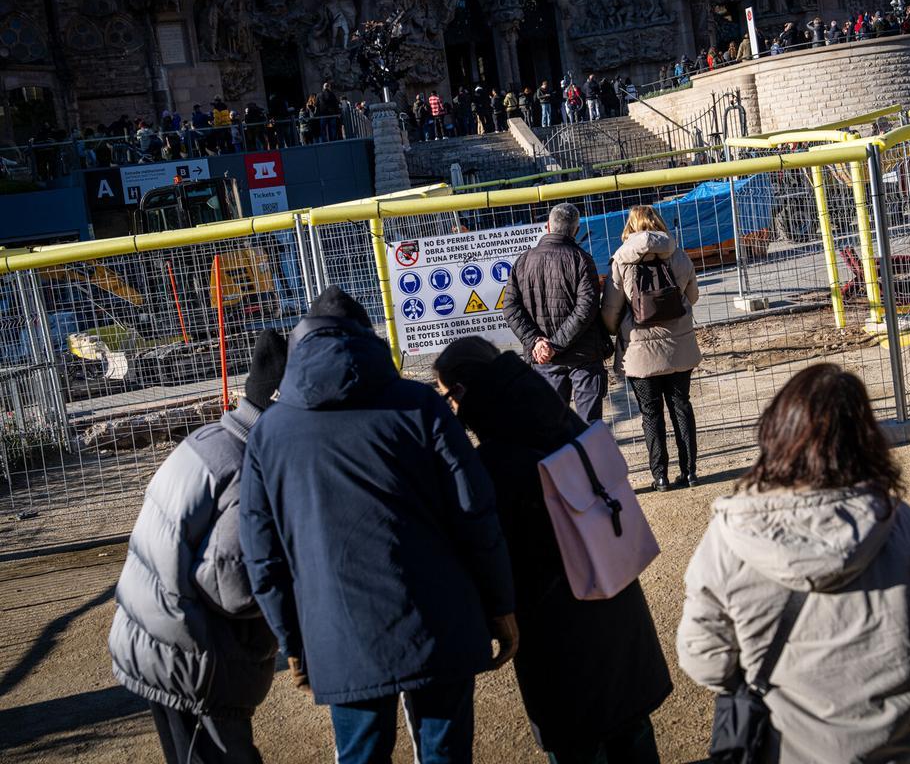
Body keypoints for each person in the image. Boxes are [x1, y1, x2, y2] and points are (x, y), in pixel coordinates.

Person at [240, 286, 517, 764]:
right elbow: (475, 511)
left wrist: (294, 643)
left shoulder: (269, 433)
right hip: (439, 621)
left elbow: (263, 556)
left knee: (361, 757)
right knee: (446, 754)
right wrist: (500, 605)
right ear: (368, 338)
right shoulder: (421, 406)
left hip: (338, 633)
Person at [677, 364, 910, 762]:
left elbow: (705, 660)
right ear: (865, 438)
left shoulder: (729, 537)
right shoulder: (902, 525)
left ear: (776, 431)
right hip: (904, 748)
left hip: (787, 747)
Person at [433, 338, 672, 764]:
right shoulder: (570, 426)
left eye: (446, 397)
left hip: (557, 637)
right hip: (617, 607)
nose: (447, 409)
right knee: (632, 733)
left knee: (578, 743)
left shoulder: (493, 464)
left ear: (465, 393)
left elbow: (494, 556)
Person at [109, 330, 288, 764]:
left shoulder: (210, 439)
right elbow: (228, 582)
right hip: (188, 657)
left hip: (156, 636)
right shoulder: (250, 472)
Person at [600, 205, 700, 491]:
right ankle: (690, 471)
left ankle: (660, 476)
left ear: (631, 226)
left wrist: (613, 330)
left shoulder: (621, 259)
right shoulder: (678, 254)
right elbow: (692, 295)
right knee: (681, 406)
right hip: (679, 346)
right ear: (658, 223)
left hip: (640, 352)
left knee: (650, 413)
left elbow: (611, 310)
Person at [503, 202, 613, 423]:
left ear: (548, 226)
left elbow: (510, 307)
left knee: (550, 427)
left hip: (544, 360)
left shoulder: (524, 261)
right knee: (589, 428)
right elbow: (587, 308)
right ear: (576, 230)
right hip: (583, 357)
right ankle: (588, 459)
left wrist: (536, 342)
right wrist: (554, 344)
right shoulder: (582, 260)